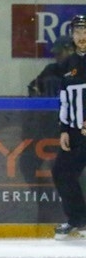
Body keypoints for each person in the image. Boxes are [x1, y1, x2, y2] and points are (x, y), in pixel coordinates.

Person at [53, 15, 86, 239]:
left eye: (85, 31)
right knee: (61, 172)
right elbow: (64, 99)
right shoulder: (68, 64)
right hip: (75, 132)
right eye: (77, 31)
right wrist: (64, 129)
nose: (81, 36)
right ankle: (78, 220)